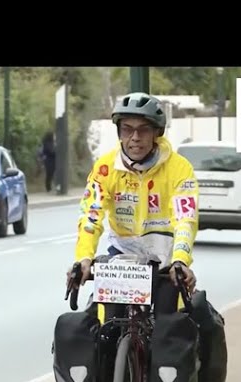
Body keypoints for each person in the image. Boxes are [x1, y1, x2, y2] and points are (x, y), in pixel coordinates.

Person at [66, 92, 198, 313]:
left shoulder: (179, 168)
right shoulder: (105, 167)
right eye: (127, 129)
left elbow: (185, 219)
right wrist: (84, 259)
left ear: (157, 132)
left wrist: (180, 260)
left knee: (167, 330)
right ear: (119, 132)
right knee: (104, 327)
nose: (135, 137)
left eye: (143, 129)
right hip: (122, 259)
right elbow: (91, 215)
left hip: (165, 262)